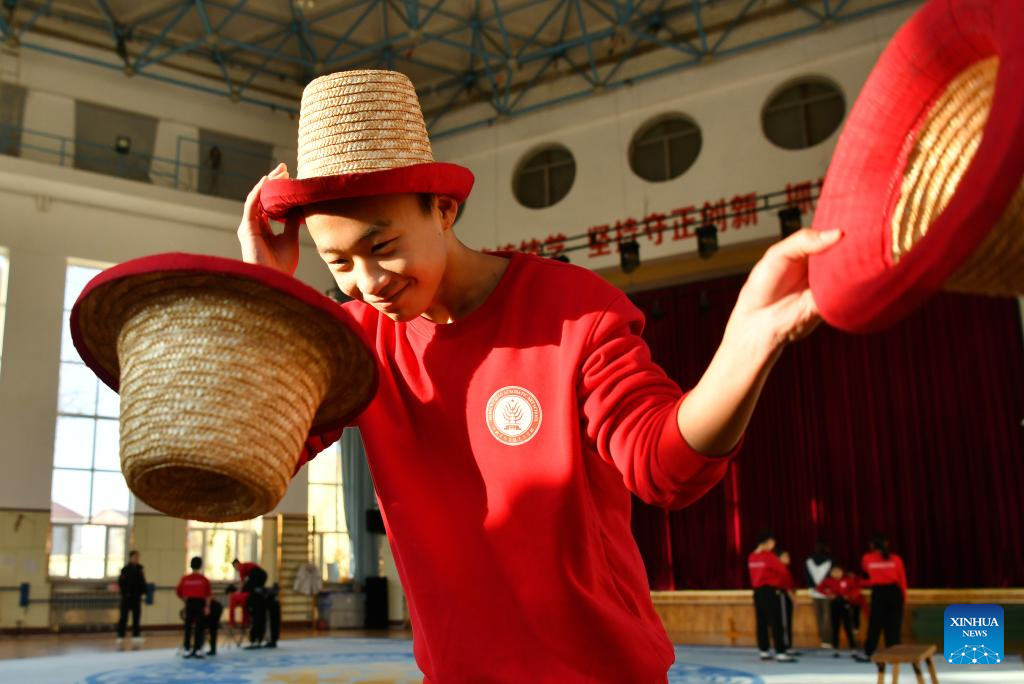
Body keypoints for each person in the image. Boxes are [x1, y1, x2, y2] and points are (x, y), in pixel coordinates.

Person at [238, 69, 842, 682]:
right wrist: (268, 296)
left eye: (384, 245)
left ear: (443, 209)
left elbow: (665, 469)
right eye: (339, 262)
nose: (368, 283)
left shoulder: (572, 309)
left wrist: (747, 346)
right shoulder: (357, 343)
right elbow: (249, 463)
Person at [856, 534, 907, 662]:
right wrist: (904, 598)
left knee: (875, 623)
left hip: (879, 593)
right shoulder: (896, 559)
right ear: (886, 544)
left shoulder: (867, 558)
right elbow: (902, 580)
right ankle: (894, 654)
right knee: (894, 624)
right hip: (895, 592)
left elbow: (866, 572)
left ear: (872, 546)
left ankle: (869, 652)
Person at [747, 532, 796, 662]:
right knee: (776, 622)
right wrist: (788, 589)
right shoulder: (769, 556)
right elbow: (783, 572)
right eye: (772, 542)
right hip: (771, 592)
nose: (773, 545)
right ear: (768, 542)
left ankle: (764, 651)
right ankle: (780, 652)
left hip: (757, 592)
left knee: (761, 622)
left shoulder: (751, 556)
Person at [816, 564, 865, 657]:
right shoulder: (828, 581)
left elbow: (857, 589)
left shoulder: (848, 580)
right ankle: (835, 648)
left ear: (842, 572)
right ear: (831, 573)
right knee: (835, 626)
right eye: (834, 572)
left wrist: (849, 595)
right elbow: (819, 589)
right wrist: (829, 594)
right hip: (834, 603)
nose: (837, 574)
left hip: (845, 603)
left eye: (839, 571)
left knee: (848, 626)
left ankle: (853, 648)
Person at [233, 558, 279, 648]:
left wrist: (240, 591)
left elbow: (242, 583)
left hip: (257, 582)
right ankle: (264, 590)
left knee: (246, 589)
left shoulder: (241, 568)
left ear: (236, 565)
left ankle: (256, 640)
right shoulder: (247, 565)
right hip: (263, 575)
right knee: (254, 591)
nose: (236, 569)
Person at [176, 556, 212, 659]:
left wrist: (185, 601)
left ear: (191, 565)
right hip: (200, 604)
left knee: (188, 627)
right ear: (200, 566)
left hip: (189, 603)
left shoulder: (185, 579)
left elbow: (179, 592)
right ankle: (197, 649)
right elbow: (208, 595)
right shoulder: (204, 579)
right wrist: (207, 607)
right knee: (199, 627)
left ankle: (187, 649)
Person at [115, 550, 147, 649]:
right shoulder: (125, 570)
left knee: (136, 617)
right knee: (124, 617)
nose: (137, 559)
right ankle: (120, 636)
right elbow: (121, 583)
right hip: (126, 597)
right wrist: (125, 593)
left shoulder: (140, 569)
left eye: (138, 557)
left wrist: (143, 591)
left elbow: (142, 582)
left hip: (136, 597)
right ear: (130, 558)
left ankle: (136, 635)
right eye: (135, 557)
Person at [805, 541, 833, 648]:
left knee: (819, 616)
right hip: (826, 592)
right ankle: (827, 640)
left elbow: (807, 576)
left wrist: (811, 587)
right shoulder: (830, 560)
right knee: (827, 617)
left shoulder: (809, 560)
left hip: (814, 591)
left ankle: (823, 639)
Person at [777, 550, 799, 655]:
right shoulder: (780, 570)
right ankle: (786, 646)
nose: (788, 558)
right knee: (784, 623)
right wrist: (794, 599)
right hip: (784, 598)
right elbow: (786, 588)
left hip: (788, 598)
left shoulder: (786, 570)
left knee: (787, 622)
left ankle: (788, 645)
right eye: (785, 556)